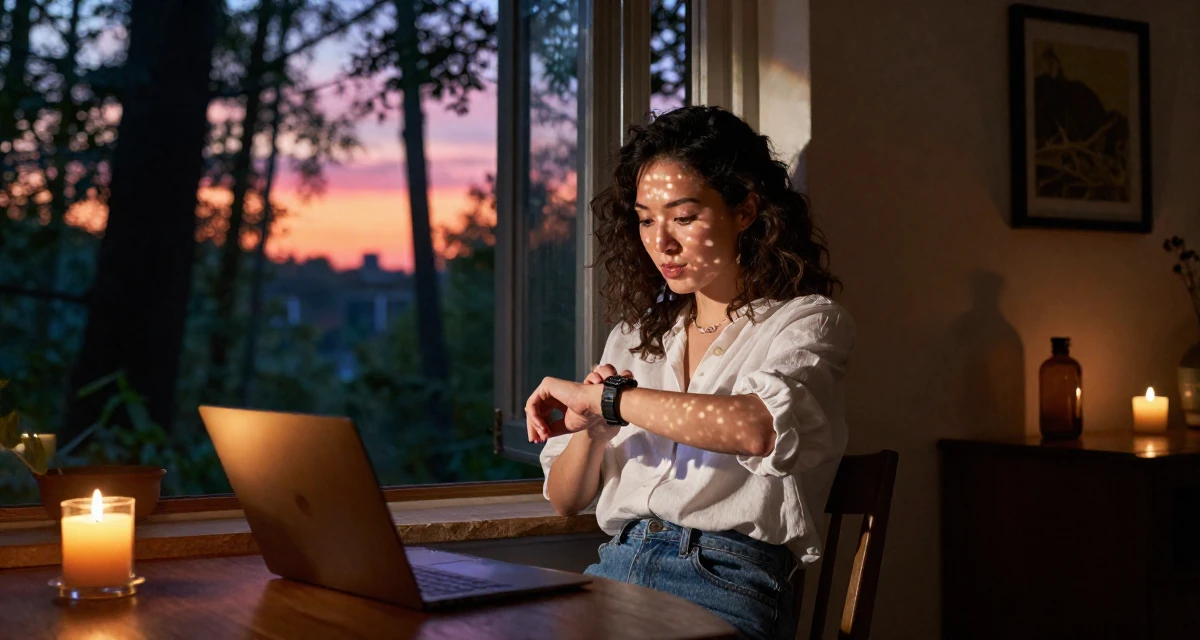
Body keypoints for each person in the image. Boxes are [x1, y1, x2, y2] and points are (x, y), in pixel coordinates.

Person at [525, 105, 853, 640]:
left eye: (683, 216)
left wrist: (611, 401)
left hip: (726, 579)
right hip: (616, 568)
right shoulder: (635, 337)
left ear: (744, 210)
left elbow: (755, 427)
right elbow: (566, 499)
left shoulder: (807, 322)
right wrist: (595, 428)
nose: (662, 242)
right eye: (646, 219)